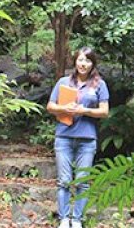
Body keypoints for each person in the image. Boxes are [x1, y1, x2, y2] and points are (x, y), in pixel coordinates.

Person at [47, 47, 110, 228]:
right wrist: (63, 109)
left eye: (88, 61)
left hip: (87, 138)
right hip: (64, 136)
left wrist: (85, 111)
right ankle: (64, 218)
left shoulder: (99, 84)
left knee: (83, 181)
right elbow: (50, 106)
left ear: (93, 64)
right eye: (81, 60)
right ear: (75, 61)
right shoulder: (63, 82)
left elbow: (104, 111)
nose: (83, 64)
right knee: (64, 180)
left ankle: (77, 219)